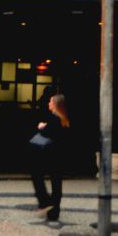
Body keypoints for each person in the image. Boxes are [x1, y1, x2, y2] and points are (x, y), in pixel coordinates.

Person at [30, 93, 69, 222]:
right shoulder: (65, 119)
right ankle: (54, 212)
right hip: (61, 155)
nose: (48, 103)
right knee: (57, 183)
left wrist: (41, 126)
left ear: (56, 104)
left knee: (36, 174)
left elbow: (47, 133)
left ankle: (45, 202)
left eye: (51, 101)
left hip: (50, 155)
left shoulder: (54, 118)